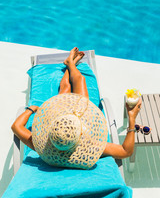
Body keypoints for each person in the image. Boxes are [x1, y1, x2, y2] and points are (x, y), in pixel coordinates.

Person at [11, 47, 142, 160]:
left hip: (61, 118)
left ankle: (70, 64)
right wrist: (132, 117)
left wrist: (31, 109)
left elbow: (16, 127)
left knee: (66, 89)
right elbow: (126, 151)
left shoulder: (45, 147)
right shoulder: (90, 146)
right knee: (79, 80)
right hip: (73, 117)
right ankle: (70, 64)